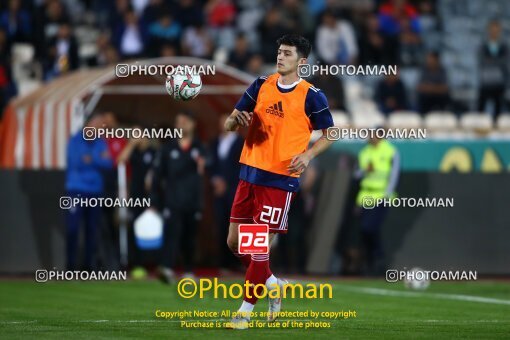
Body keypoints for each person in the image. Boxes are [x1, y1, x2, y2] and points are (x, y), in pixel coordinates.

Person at [223, 34, 334, 329]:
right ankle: (273, 282)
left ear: (302, 62)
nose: (280, 56)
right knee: (235, 243)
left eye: (287, 53)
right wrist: (237, 122)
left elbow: (331, 134)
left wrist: (309, 156)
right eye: (279, 51)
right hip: (249, 172)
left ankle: (244, 313)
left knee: (259, 247)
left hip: (279, 179)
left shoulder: (312, 96)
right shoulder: (261, 84)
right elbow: (229, 121)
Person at [150, 110, 206, 283]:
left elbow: (208, 168)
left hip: (193, 201)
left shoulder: (200, 147)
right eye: (178, 122)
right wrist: (153, 200)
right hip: (172, 200)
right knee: (171, 234)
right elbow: (156, 176)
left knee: (189, 237)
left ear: (192, 124)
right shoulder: (167, 148)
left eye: (184, 122)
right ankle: (166, 268)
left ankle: (189, 271)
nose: (181, 125)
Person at [65, 113, 113, 271]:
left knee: (92, 230)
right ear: (89, 123)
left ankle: (89, 266)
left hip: (95, 191)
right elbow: (76, 161)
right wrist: (97, 159)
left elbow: (108, 163)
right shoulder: (75, 140)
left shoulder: (101, 143)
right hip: (76, 190)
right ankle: (71, 266)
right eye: (98, 123)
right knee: (72, 228)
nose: (100, 127)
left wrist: (91, 159)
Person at [354, 132, 399, 275]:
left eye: (372, 135)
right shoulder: (364, 152)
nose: (369, 137)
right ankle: (371, 260)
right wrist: (364, 170)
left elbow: (394, 174)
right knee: (364, 230)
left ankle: (377, 257)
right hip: (365, 196)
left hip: (381, 196)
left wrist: (387, 194)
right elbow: (356, 174)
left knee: (370, 228)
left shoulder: (390, 151)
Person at [208, 113, 244, 270]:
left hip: (235, 191)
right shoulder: (214, 142)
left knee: (237, 227)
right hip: (218, 192)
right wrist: (215, 180)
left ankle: (237, 262)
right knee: (221, 225)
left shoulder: (242, 143)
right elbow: (210, 164)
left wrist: (227, 183)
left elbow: (242, 166)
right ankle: (223, 261)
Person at [478, 20, 508, 119]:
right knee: (481, 111)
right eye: (492, 30)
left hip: (499, 84)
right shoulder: (483, 46)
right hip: (485, 83)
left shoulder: (504, 47)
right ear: (488, 31)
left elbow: (504, 62)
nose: (494, 32)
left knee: (498, 112)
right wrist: (496, 62)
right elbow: (482, 61)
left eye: (496, 30)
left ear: (499, 31)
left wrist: (491, 61)